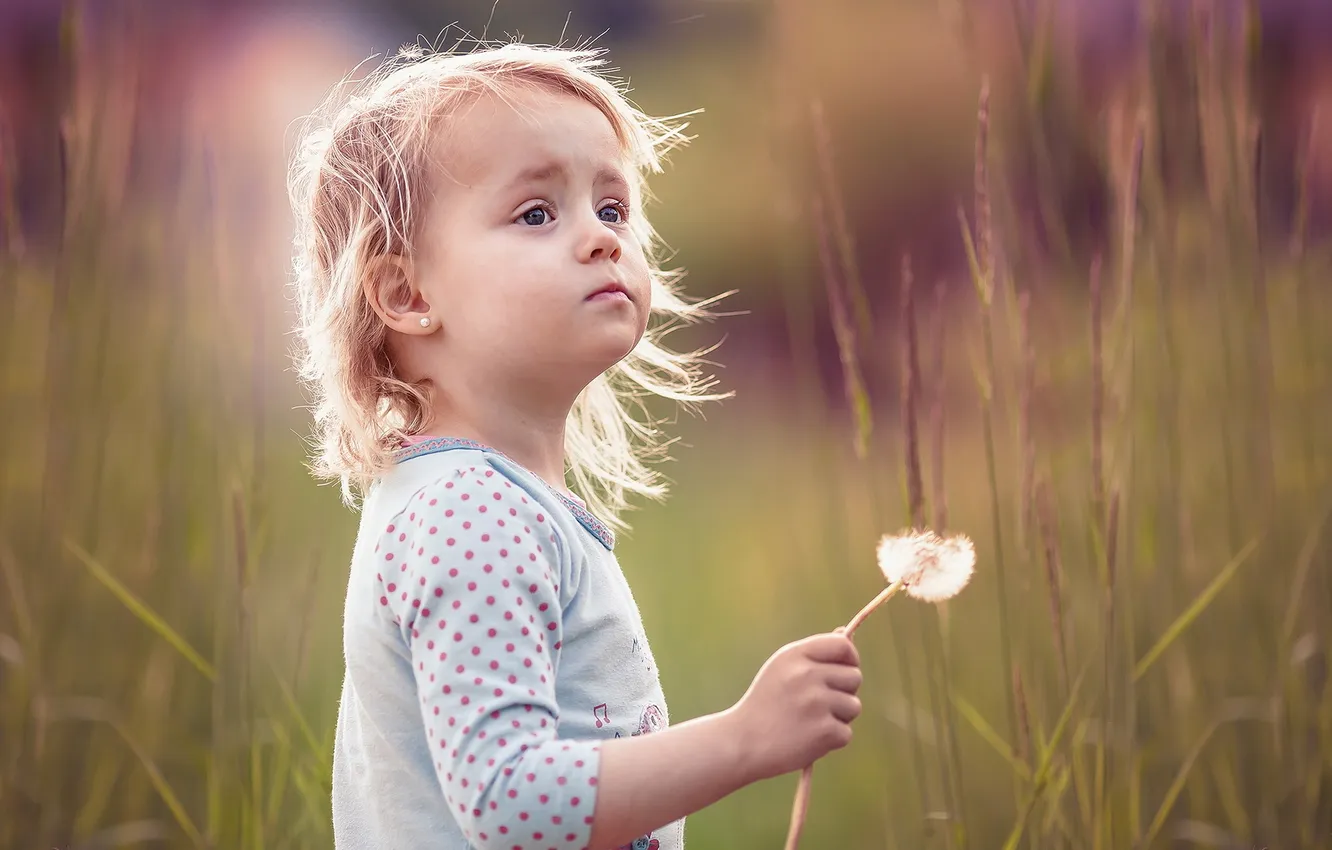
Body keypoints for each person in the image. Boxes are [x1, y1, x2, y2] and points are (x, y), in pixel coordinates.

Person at [286, 42, 863, 850]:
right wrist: (745, 738)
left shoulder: (489, 500)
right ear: (407, 294)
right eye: (536, 213)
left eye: (614, 208)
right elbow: (509, 799)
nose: (601, 238)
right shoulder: (470, 511)